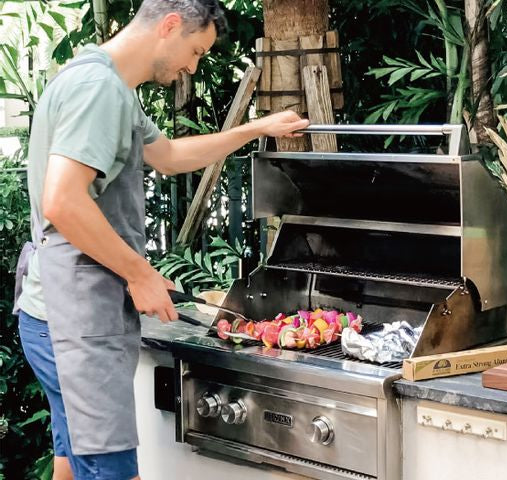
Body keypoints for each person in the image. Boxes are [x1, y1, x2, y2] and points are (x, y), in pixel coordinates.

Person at [13, 1, 309, 479]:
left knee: (72, 458)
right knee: (111, 469)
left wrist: (258, 128)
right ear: (170, 26)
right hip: (79, 321)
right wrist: (140, 275)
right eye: (195, 51)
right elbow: (63, 201)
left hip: (52, 314)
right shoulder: (98, 90)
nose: (192, 67)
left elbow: (169, 156)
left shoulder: (102, 81)